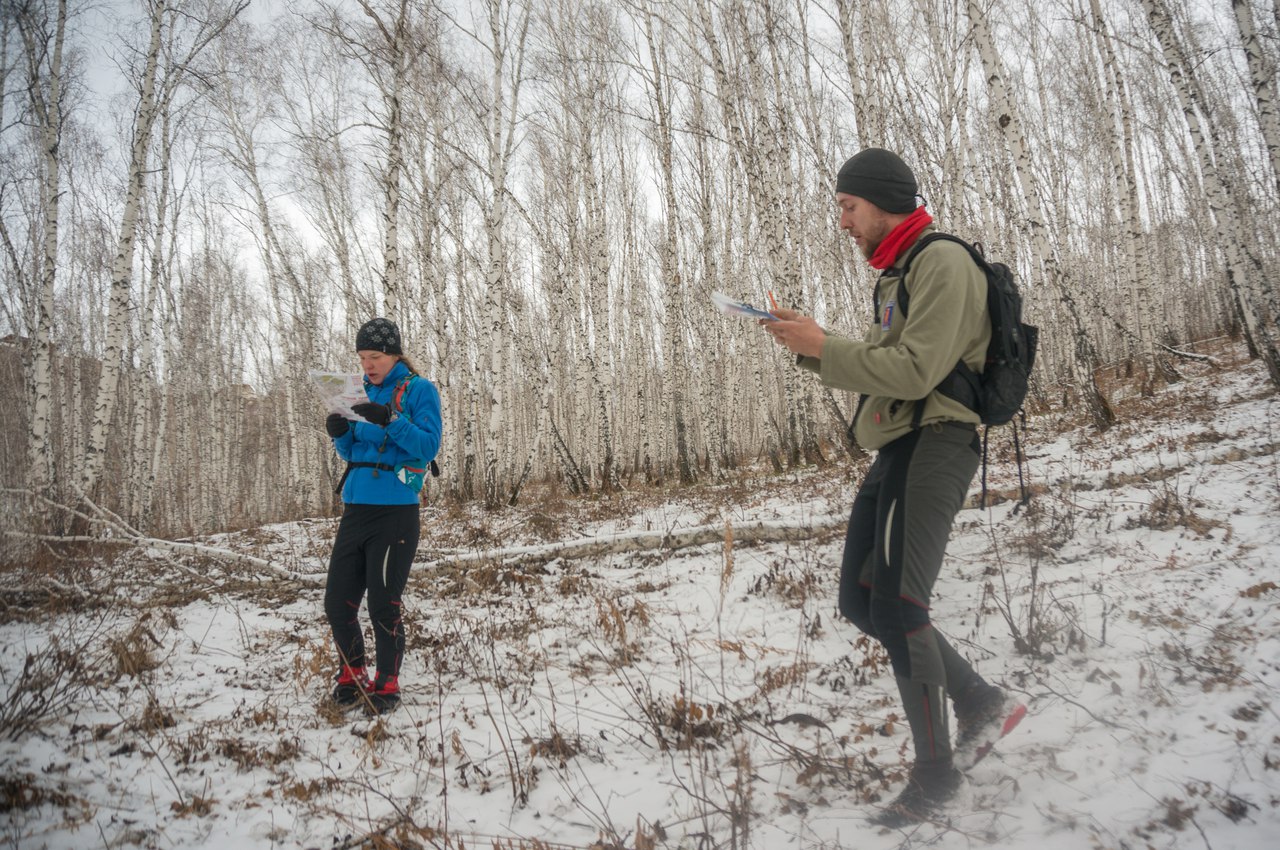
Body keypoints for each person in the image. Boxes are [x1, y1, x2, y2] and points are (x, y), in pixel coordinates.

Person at [764, 148, 1024, 825]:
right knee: (862, 599)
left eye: (849, 207)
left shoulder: (942, 261)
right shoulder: (898, 273)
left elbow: (914, 371)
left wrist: (823, 346)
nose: (843, 221)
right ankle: (980, 701)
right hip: (899, 444)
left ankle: (936, 777)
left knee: (901, 605)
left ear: (883, 201)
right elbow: (887, 363)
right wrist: (810, 344)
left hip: (936, 441)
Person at [323, 317, 442, 715]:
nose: (367, 364)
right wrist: (340, 433)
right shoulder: (360, 391)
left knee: (382, 604)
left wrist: (390, 419)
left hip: (395, 511)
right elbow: (351, 452)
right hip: (355, 508)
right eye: (362, 357)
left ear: (394, 354)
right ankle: (352, 672)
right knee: (337, 602)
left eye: (374, 356)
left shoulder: (419, 390)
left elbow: (427, 446)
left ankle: (387, 682)